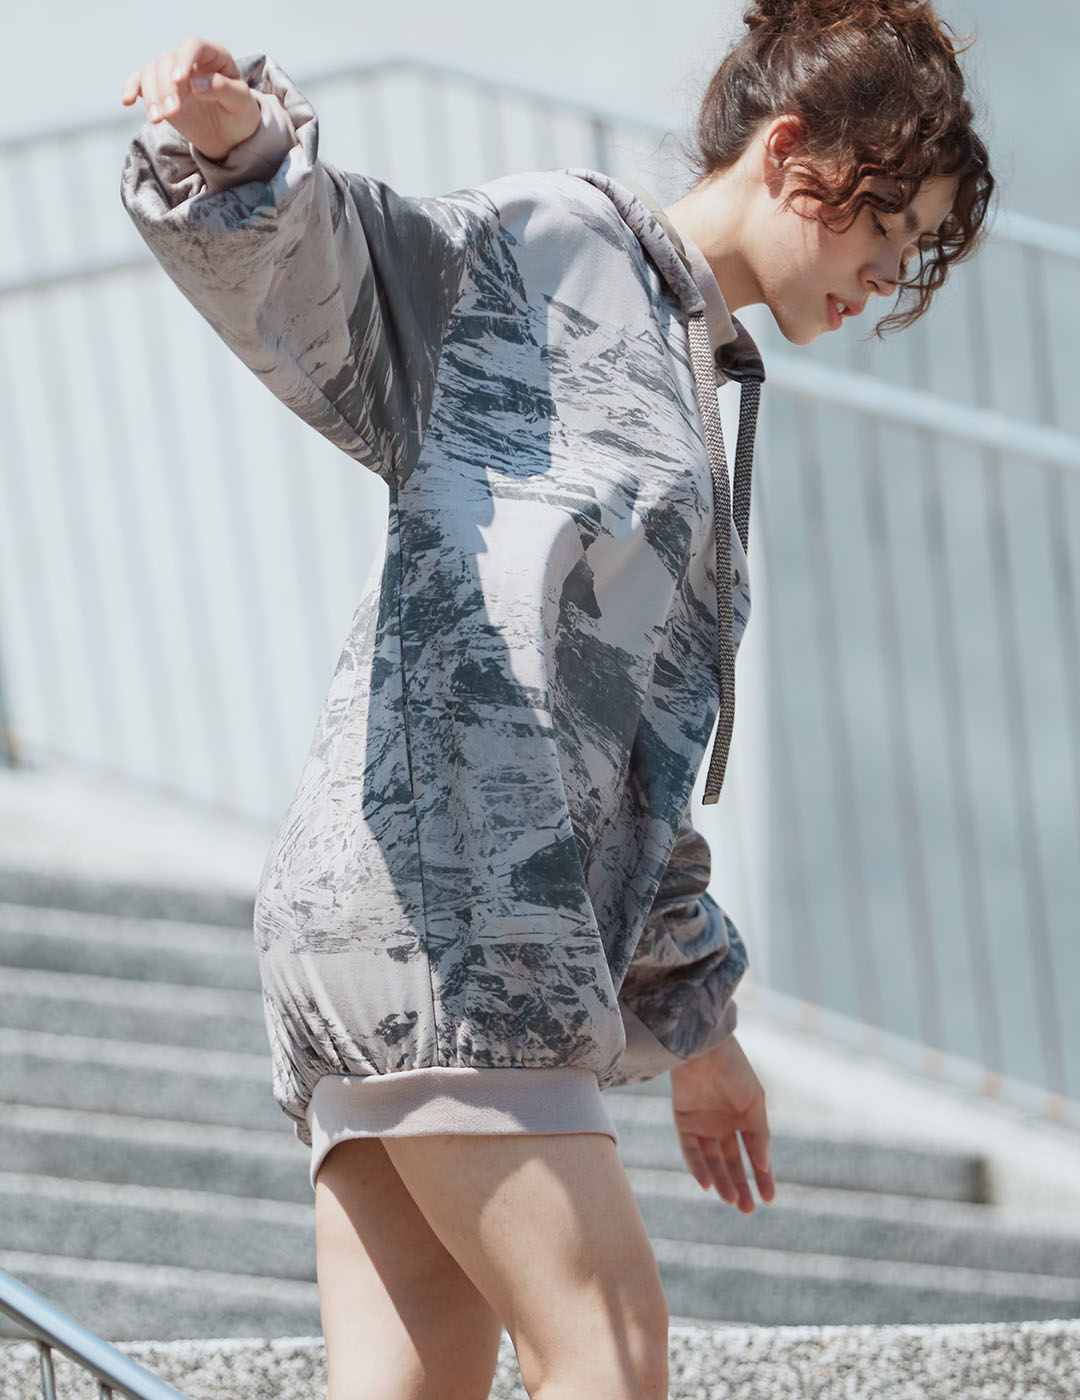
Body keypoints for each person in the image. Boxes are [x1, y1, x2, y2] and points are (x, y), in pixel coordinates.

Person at [118, 1, 994, 1395]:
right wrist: (239, 153)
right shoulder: (560, 245)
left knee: (417, 1383)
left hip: (411, 928)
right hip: (457, 925)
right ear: (791, 157)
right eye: (885, 230)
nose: (885, 279)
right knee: (608, 1346)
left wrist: (702, 1024)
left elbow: (622, 760)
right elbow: (352, 265)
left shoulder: (688, 376)